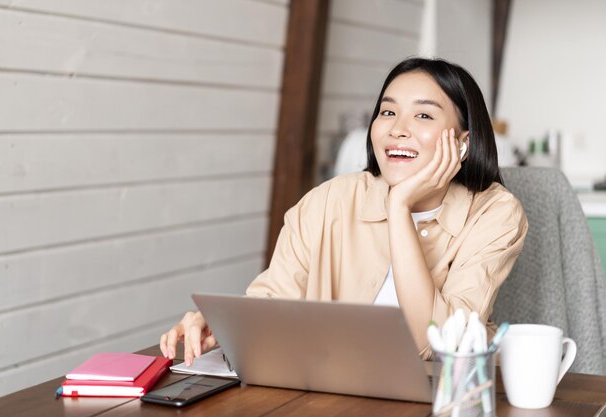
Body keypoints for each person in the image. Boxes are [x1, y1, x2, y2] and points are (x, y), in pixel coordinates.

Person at [160, 57, 528, 364]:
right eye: (387, 111)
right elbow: (270, 304)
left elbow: (434, 344)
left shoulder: (495, 213)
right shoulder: (328, 201)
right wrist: (222, 327)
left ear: (463, 143)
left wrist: (399, 206)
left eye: (424, 116)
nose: (397, 129)